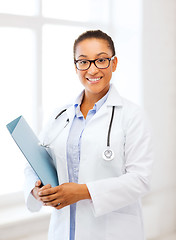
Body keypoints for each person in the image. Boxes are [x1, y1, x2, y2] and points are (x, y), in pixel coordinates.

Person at [24, 30, 153, 240]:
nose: (92, 69)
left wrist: (83, 191)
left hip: (112, 231)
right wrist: (35, 190)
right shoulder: (59, 115)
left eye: (101, 60)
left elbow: (140, 179)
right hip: (64, 230)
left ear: (114, 63)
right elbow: (34, 163)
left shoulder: (132, 116)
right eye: (83, 62)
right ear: (75, 66)